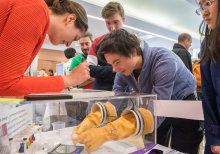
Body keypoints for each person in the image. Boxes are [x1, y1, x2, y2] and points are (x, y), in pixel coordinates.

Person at [97, 29, 203, 154]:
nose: (114, 69)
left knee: (183, 148)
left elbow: (159, 105)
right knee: (153, 146)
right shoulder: (123, 69)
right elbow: (117, 95)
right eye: (111, 64)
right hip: (157, 103)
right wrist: (99, 119)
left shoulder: (164, 60)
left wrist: (120, 129)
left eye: (117, 62)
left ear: (133, 51)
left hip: (184, 103)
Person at [0, 0, 90, 96]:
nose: (68, 45)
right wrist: (68, 80)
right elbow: (6, 84)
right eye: (75, 38)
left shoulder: (38, 17)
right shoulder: (36, 9)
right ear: (70, 19)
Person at [196, 0, 220, 153]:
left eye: (209, 3)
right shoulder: (208, 43)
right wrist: (215, 137)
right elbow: (208, 92)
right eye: (201, 7)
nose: (204, 12)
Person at [86, 2, 126, 91]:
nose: (112, 28)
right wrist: (114, 69)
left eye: (116, 22)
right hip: (100, 91)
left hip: (124, 92)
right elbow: (90, 69)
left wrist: (101, 69)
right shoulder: (97, 42)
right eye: (108, 23)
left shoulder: (131, 42)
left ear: (123, 19)